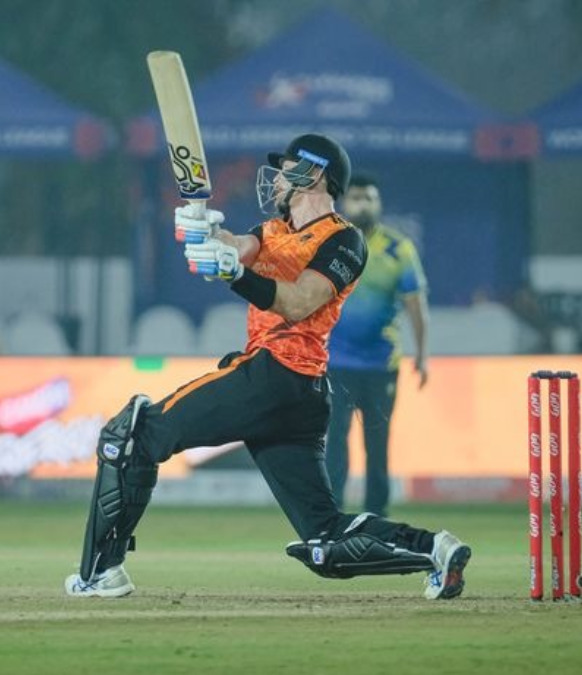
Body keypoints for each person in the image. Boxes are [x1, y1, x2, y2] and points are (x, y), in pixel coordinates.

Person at [64, 134, 470, 601]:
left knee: (134, 436)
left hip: (277, 375)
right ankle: (436, 550)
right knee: (325, 538)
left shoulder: (344, 241)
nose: (276, 179)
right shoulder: (273, 231)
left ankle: (101, 572)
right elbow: (236, 248)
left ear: (314, 175)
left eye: (286, 169)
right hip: (298, 396)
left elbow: (298, 302)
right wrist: (200, 231)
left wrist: (235, 274)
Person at [324, 174, 429, 516]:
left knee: (377, 442)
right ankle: (332, 515)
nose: (363, 205)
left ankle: (377, 515)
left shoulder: (399, 249)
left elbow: (415, 305)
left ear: (378, 203)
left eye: (369, 198)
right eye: (356, 198)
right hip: (335, 361)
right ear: (344, 203)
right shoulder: (329, 244)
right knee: (334, 442)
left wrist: (422, 355)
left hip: (381, 363)